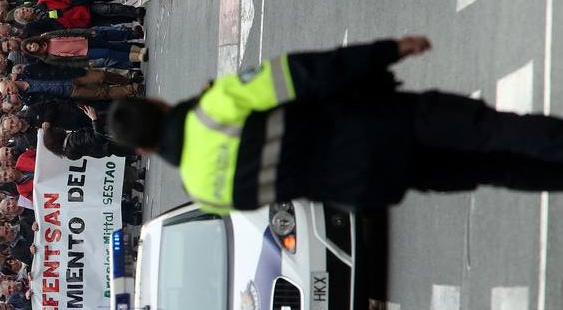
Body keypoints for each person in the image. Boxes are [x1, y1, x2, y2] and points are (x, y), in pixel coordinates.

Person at [107, 35, 563, 212]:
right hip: (377, 126)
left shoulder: (205, 193)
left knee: (491, 170)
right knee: (490, 130)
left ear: (145, 151)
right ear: (157, 102)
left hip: (372, 184)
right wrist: (386, 51)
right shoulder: (216, 106)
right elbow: (306, 74)